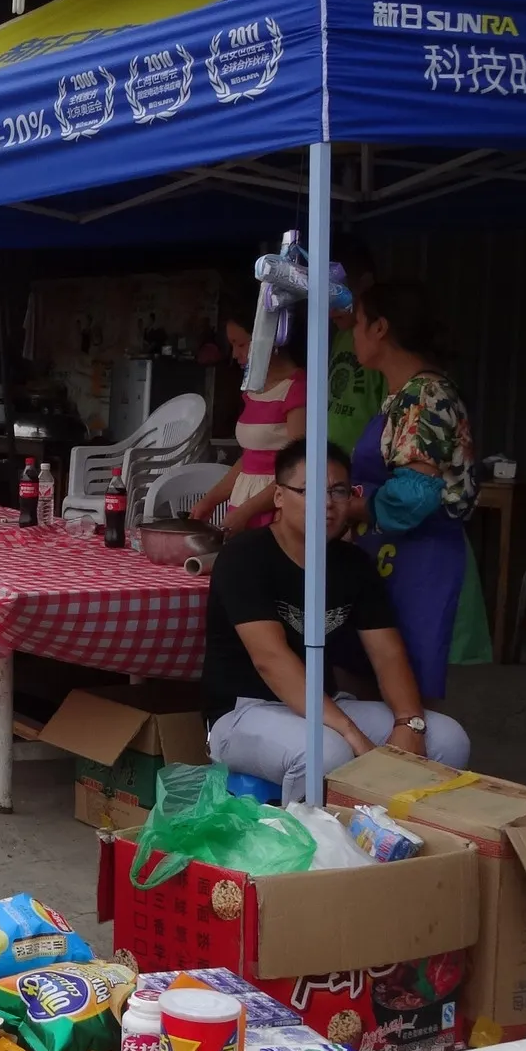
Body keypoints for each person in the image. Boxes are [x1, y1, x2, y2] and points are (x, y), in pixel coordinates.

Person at [202, 437, 470, 804]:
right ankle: (314, 840)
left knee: (449, 738)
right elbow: (271, 660)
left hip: (325, 704)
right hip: (244, 712)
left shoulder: (353, 564)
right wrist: (351, 733)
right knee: (327, 752)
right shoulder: (244, 556)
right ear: (279, 496)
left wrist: (409, 722)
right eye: (309, 491)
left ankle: (402, 835)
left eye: (339, 491)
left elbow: (388, 654)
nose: (327, 504)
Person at [349, 277, 487, 696]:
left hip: (422, 561)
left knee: (407, 696)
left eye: (357, 323)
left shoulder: (424, 395)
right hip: (391, 552)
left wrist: (352, 507)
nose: (352, 334)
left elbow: (415, 494)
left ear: (380, 328)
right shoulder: (402, 394)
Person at [189, 302, 306, 532]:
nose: (235, 354)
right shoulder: (253, 390)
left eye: (241, 344)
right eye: (233, 345)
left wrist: (247, 511)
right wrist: (209, 501)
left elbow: (297, 469)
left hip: (276, 511)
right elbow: (249, 460)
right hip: (244, 505)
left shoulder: (297, 389)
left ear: (269, 338)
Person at [326, 235, 386, 457]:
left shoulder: (381, 346)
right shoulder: (341, 336)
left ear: (365, 283)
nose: (330, 311)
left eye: (338, 297)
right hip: (330, 461)